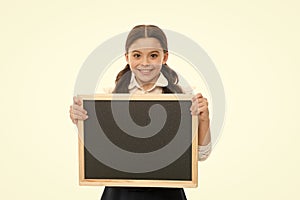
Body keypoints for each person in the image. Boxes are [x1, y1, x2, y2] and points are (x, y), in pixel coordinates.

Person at [69, 25, 212, 200]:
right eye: (137, 55)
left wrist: (204, 119)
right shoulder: (108, 95)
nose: (145, 63)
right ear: (127, 57)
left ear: (164, 57)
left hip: (167, 193)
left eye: (153, 55)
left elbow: (201, 155)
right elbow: (100, 155)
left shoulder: (184, 97)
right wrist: (82, 121)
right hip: (119, 193)